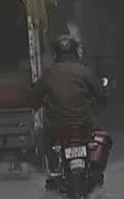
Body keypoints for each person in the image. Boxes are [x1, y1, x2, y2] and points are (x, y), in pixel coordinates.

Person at [31, 35, 109, 182]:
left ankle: (52, 169)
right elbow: (100, 95)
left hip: (57, 127)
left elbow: (34, 98)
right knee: (101, 138)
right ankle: (94, 171)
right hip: (84, 124)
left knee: (43, 140)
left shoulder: (49, 74)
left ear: (56, 53)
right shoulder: (85, 72)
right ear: (76, 52)